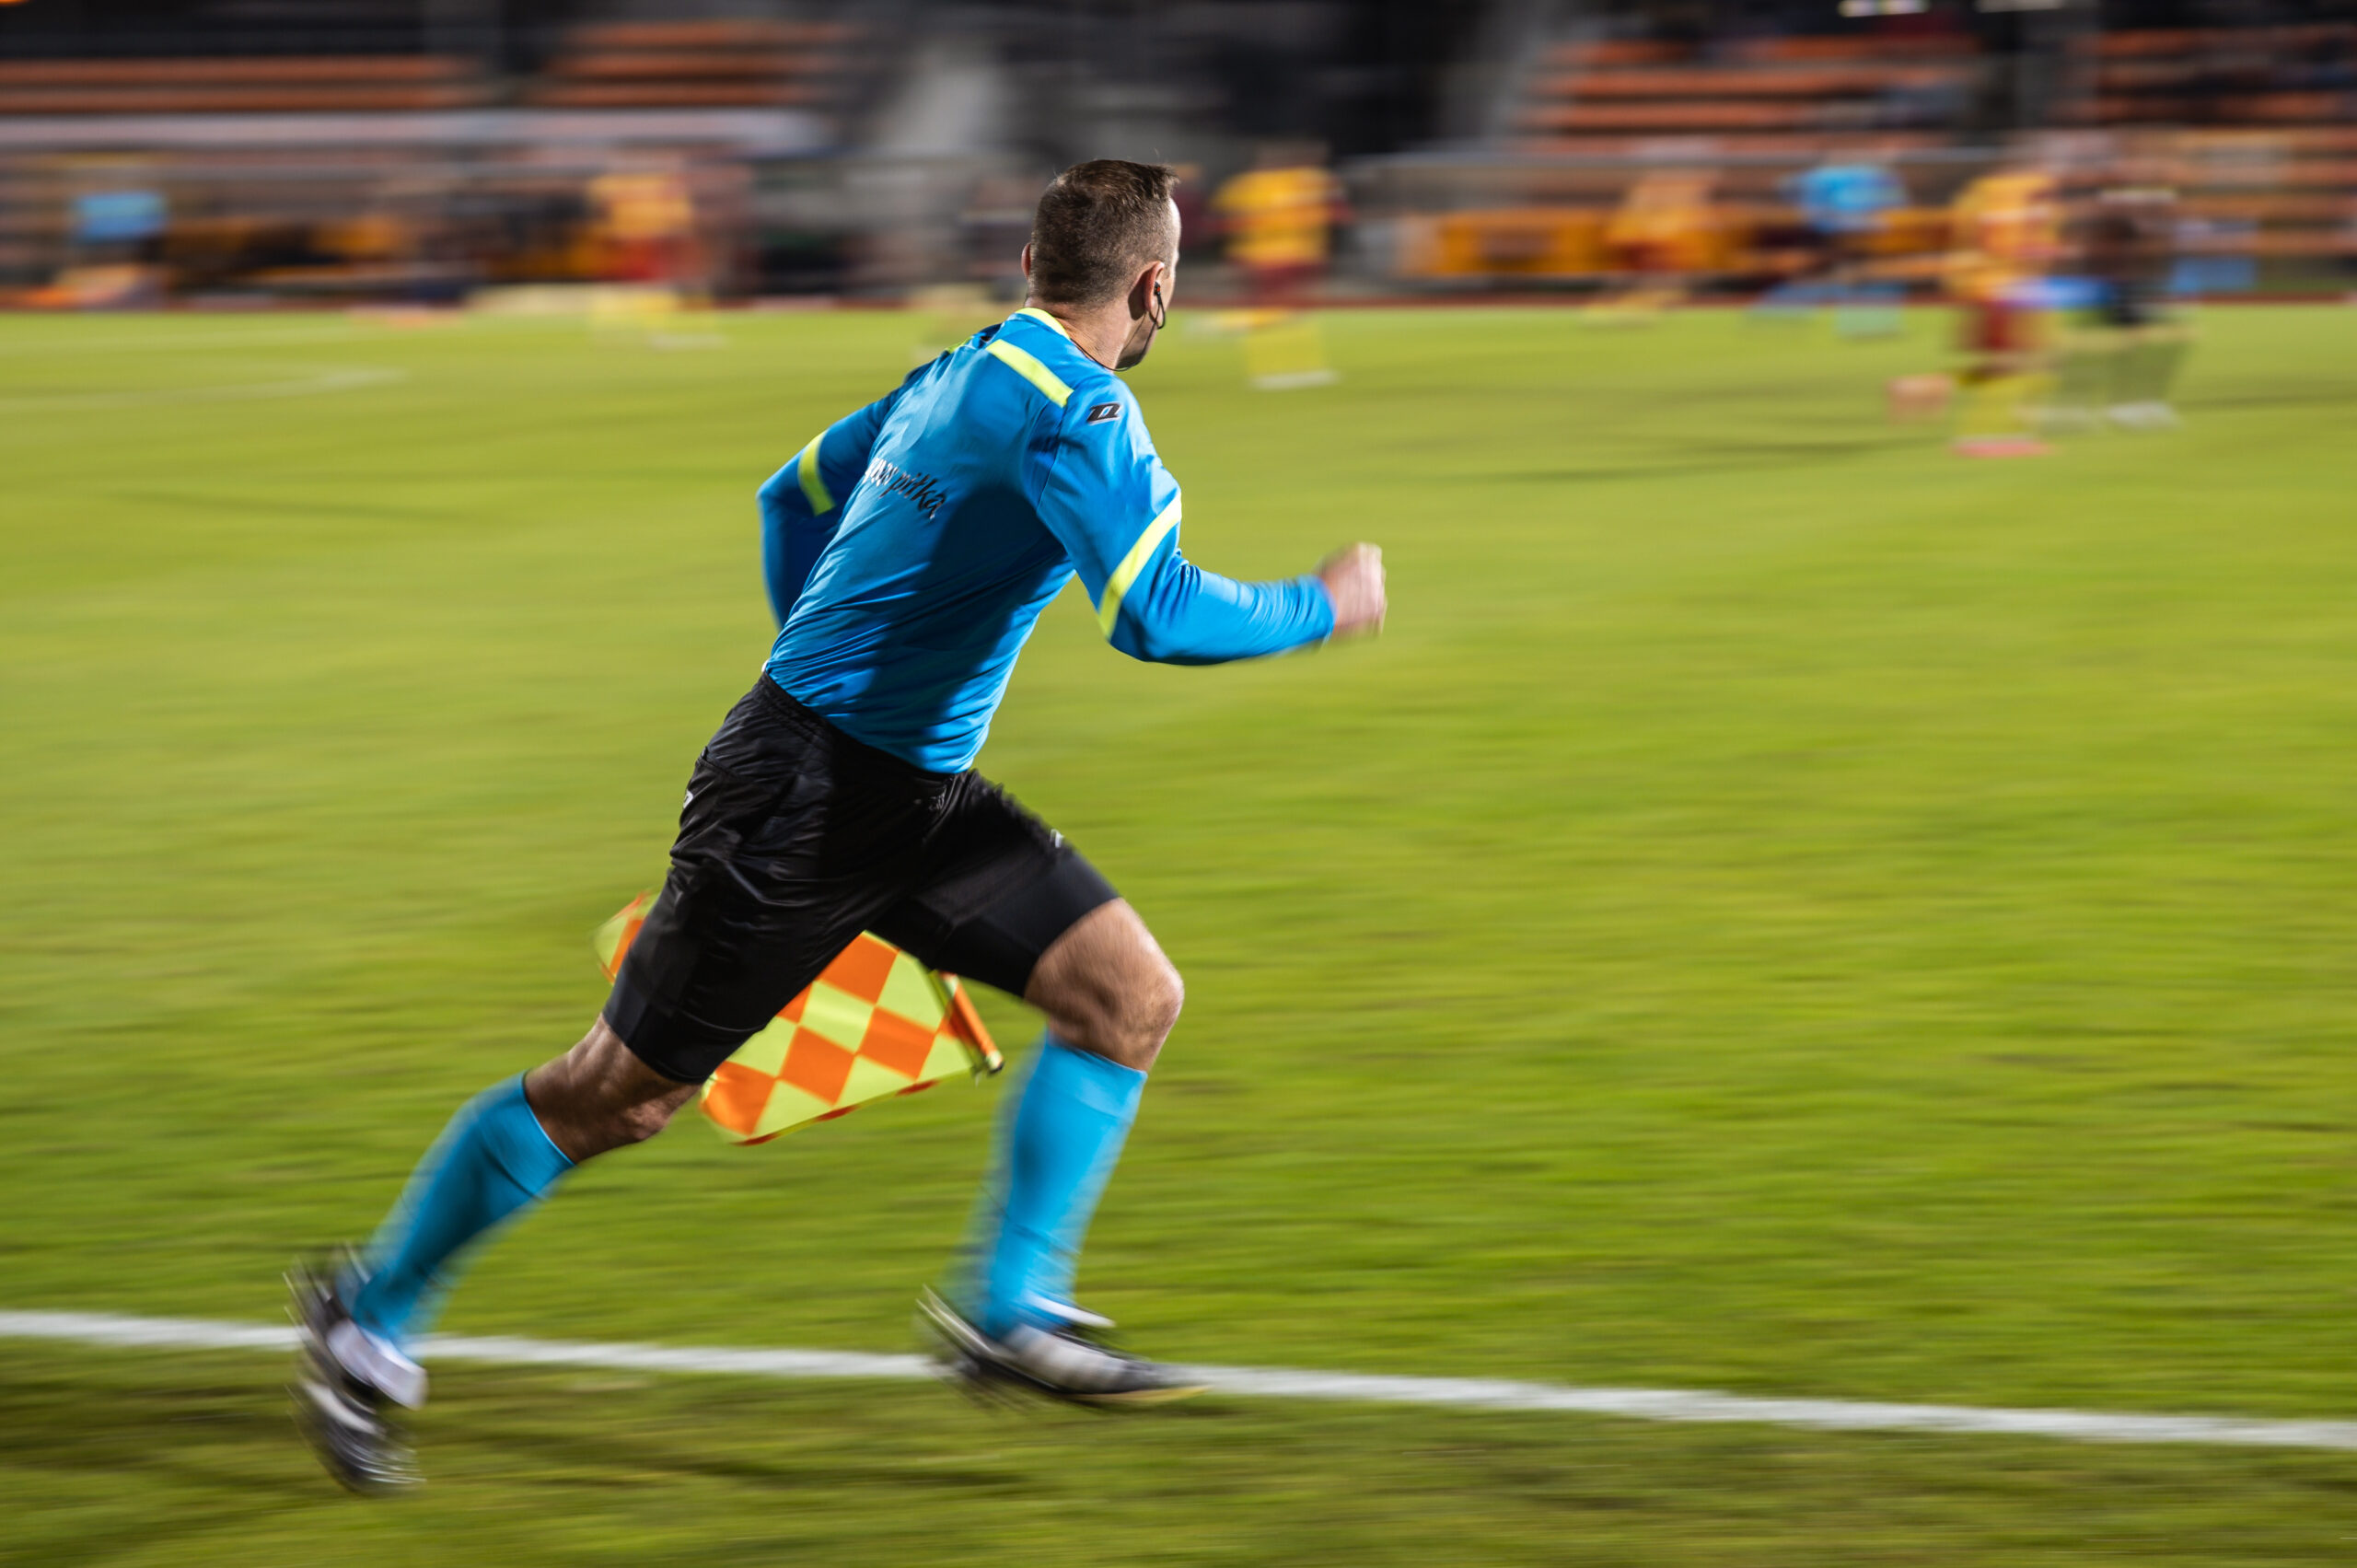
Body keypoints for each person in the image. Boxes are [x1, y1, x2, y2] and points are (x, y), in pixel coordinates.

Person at [289, 158, 1388, 1493]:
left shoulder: (954, 373)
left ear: (1035, 268)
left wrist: (826, 668)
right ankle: (367, 1314)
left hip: (899, 791)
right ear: (1153, 287)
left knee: (1125, 996)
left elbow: (789, 497)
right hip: (804, 809)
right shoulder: (1085, 416)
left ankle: (1009, 1312)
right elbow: (1154, 613)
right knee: (616, 1096)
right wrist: (1323, 605)